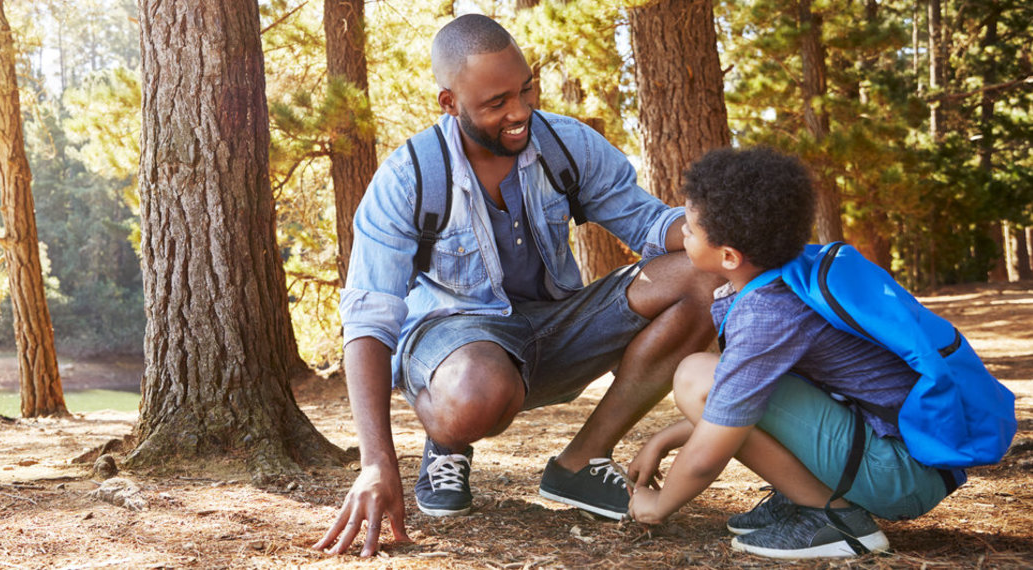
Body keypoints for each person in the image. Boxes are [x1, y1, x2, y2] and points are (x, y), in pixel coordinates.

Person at [313, 14, 721, 557]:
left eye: (526, 88)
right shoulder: (408, 176)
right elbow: (368, 320)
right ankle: (447, 441)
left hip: (554, 326)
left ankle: (580, 462)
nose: (520, 111)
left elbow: (649, 225)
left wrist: (714, 227)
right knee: (475, 394)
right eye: (497, 102)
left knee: (704, 272)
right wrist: (375, 464)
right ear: (449, 103)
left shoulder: (567, 145)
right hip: (455, 342)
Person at [625, 147, 961, 559]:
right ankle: (808, 492)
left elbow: (712, 445)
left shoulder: (767, 312)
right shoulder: (785, 275)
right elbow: (752, 398)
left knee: (697, 377)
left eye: (690, 230)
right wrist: (666, 438)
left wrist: (657, 506)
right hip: (899, 457)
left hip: (900, 473)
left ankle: (834, 518)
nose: (684, 235)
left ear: (729, 256)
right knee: (706, 378)